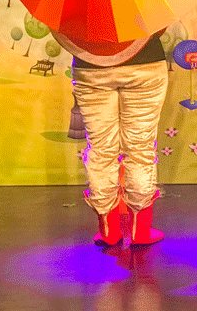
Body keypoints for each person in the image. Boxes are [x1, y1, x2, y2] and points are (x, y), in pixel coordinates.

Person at [72, 30, 169, 246]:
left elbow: (65, 31)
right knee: (140, 148)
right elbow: (159, 27)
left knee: (100, 149)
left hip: (90, 64)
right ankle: (140, 232)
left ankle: (108, 232)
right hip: (145, 63)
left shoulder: (75, 4)